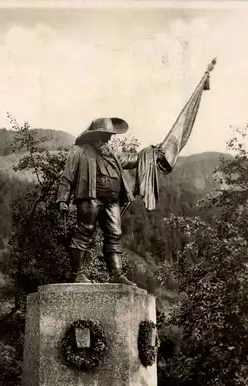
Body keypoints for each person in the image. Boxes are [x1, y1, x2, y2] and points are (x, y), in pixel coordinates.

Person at [56, 117, 166, 285]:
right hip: (90, 197)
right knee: (84, 231)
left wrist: (150, 153)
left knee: (115, 234)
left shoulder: (112, 154)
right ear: (94, 135)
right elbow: (67, 177)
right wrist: (62, 198)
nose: (108, 139)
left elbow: (132, 160)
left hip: (112, 200)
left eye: (109, 136)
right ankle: (77, 273)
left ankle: (116, 274)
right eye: (104, 135)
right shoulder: (79, 151)